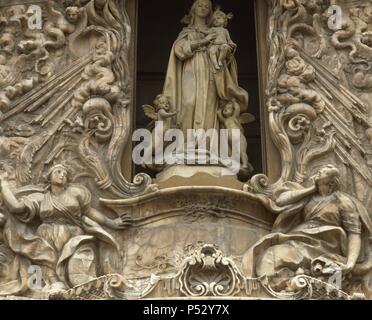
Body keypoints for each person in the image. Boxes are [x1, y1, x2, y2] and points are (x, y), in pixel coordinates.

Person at [0, 164, 131, 292]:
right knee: (47, 259)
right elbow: (15, 207)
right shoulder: (41, 198)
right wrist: (3, 182)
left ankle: (81, 286)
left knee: (76, 267)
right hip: (46, 236)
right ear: (49, 177)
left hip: (73, 234)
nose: (62, 175)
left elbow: (89, 212)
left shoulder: (76, 193)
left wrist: (112, 223)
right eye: (58, 172)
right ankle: (54, 284)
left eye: (65, 174)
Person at [242, 165, 372, 291]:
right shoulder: (309, 196)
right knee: (271, 255)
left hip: (325, 244)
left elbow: (354, 233)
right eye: (320, 170)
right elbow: (281, 201)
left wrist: (350, 263)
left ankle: (297, 281)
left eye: (325, 172)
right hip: (300, 238)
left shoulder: (343, 202)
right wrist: (312, 189)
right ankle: (281, 284)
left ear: (331, 183)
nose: (320, 172)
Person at [162, 0, 249, 138]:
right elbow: (178, 49)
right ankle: (186, 143)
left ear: (211, 12)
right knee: (188, 102)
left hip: (211, 68)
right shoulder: (187, 31)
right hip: (191, 67)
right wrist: (203, 41)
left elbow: (227, 51)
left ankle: (207, 144)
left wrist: (223, 51)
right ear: (193, 9)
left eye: (207, 6)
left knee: (209, 103)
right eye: (200, 5)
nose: (203, 8)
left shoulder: (216, 30)